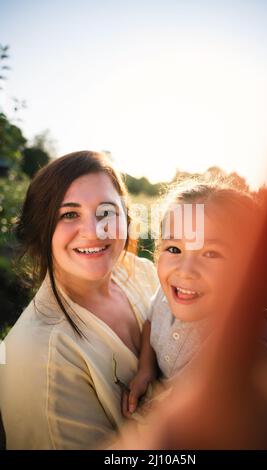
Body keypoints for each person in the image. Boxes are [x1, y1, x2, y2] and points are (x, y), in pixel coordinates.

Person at [0, 151, 159, 449]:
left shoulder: (142, 272)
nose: (94, 230)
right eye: (69, 214)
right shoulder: (43, 359)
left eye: (107, 211)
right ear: (40, 229)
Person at [122, 177, 267, 416]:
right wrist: (146, 368)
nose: (185, 271)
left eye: (211, 253)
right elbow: (150, 324)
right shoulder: (165, 296)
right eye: (174, 249)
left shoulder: (248, 332)